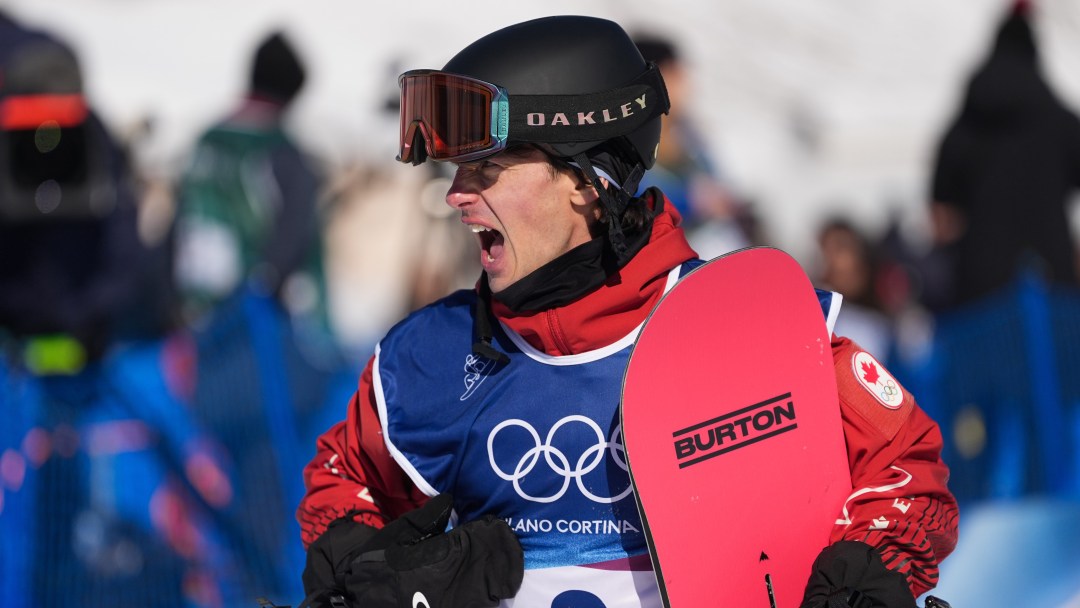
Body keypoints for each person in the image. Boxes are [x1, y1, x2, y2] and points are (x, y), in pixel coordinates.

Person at [296, 16, 957, 608]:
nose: (455, 197)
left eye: (488, 169)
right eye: (455, 172)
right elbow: (343, 481)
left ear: (589, 183)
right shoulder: (430, 359)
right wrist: (368, 576)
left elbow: (907, 467)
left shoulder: (749, 329)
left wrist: (863, 574)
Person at [928, 0, 1080, 309]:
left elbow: (941, 207)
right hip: (1051, 275)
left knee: (992, 354)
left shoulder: (967, 123)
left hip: (981, 282)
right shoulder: (1060, 120)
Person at [172, 29, 323, 327]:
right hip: (248, 317)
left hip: (192, 304)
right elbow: (295, 233)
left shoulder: (207, 139)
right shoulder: (278, 150)